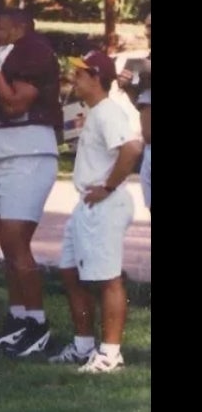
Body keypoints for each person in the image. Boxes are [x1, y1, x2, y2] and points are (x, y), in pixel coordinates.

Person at [48, 51, 143, 373]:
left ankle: (110, 354)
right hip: (86, 204)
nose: (75, 78)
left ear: (97, 78)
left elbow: (132, 148)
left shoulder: (107, 112)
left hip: (103, 204)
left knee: (107, 278)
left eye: (81, 73)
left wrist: (109, 187)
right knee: (70, 272)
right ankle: (83, 346)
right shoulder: (94, 112)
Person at [0, 8, 63, 358]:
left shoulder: (33, 49)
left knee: (16, 244)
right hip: (2, 156)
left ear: (20, 26)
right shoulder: (4, 54)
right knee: (7, 247)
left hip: (28, 154)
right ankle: (18, 318)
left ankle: (38, 324)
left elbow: (13, 105)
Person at [117, 11, 150, 213]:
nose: (149, 31)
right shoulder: (143, 64)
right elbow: (141, 104)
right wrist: (129, 88)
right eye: (147, 26)